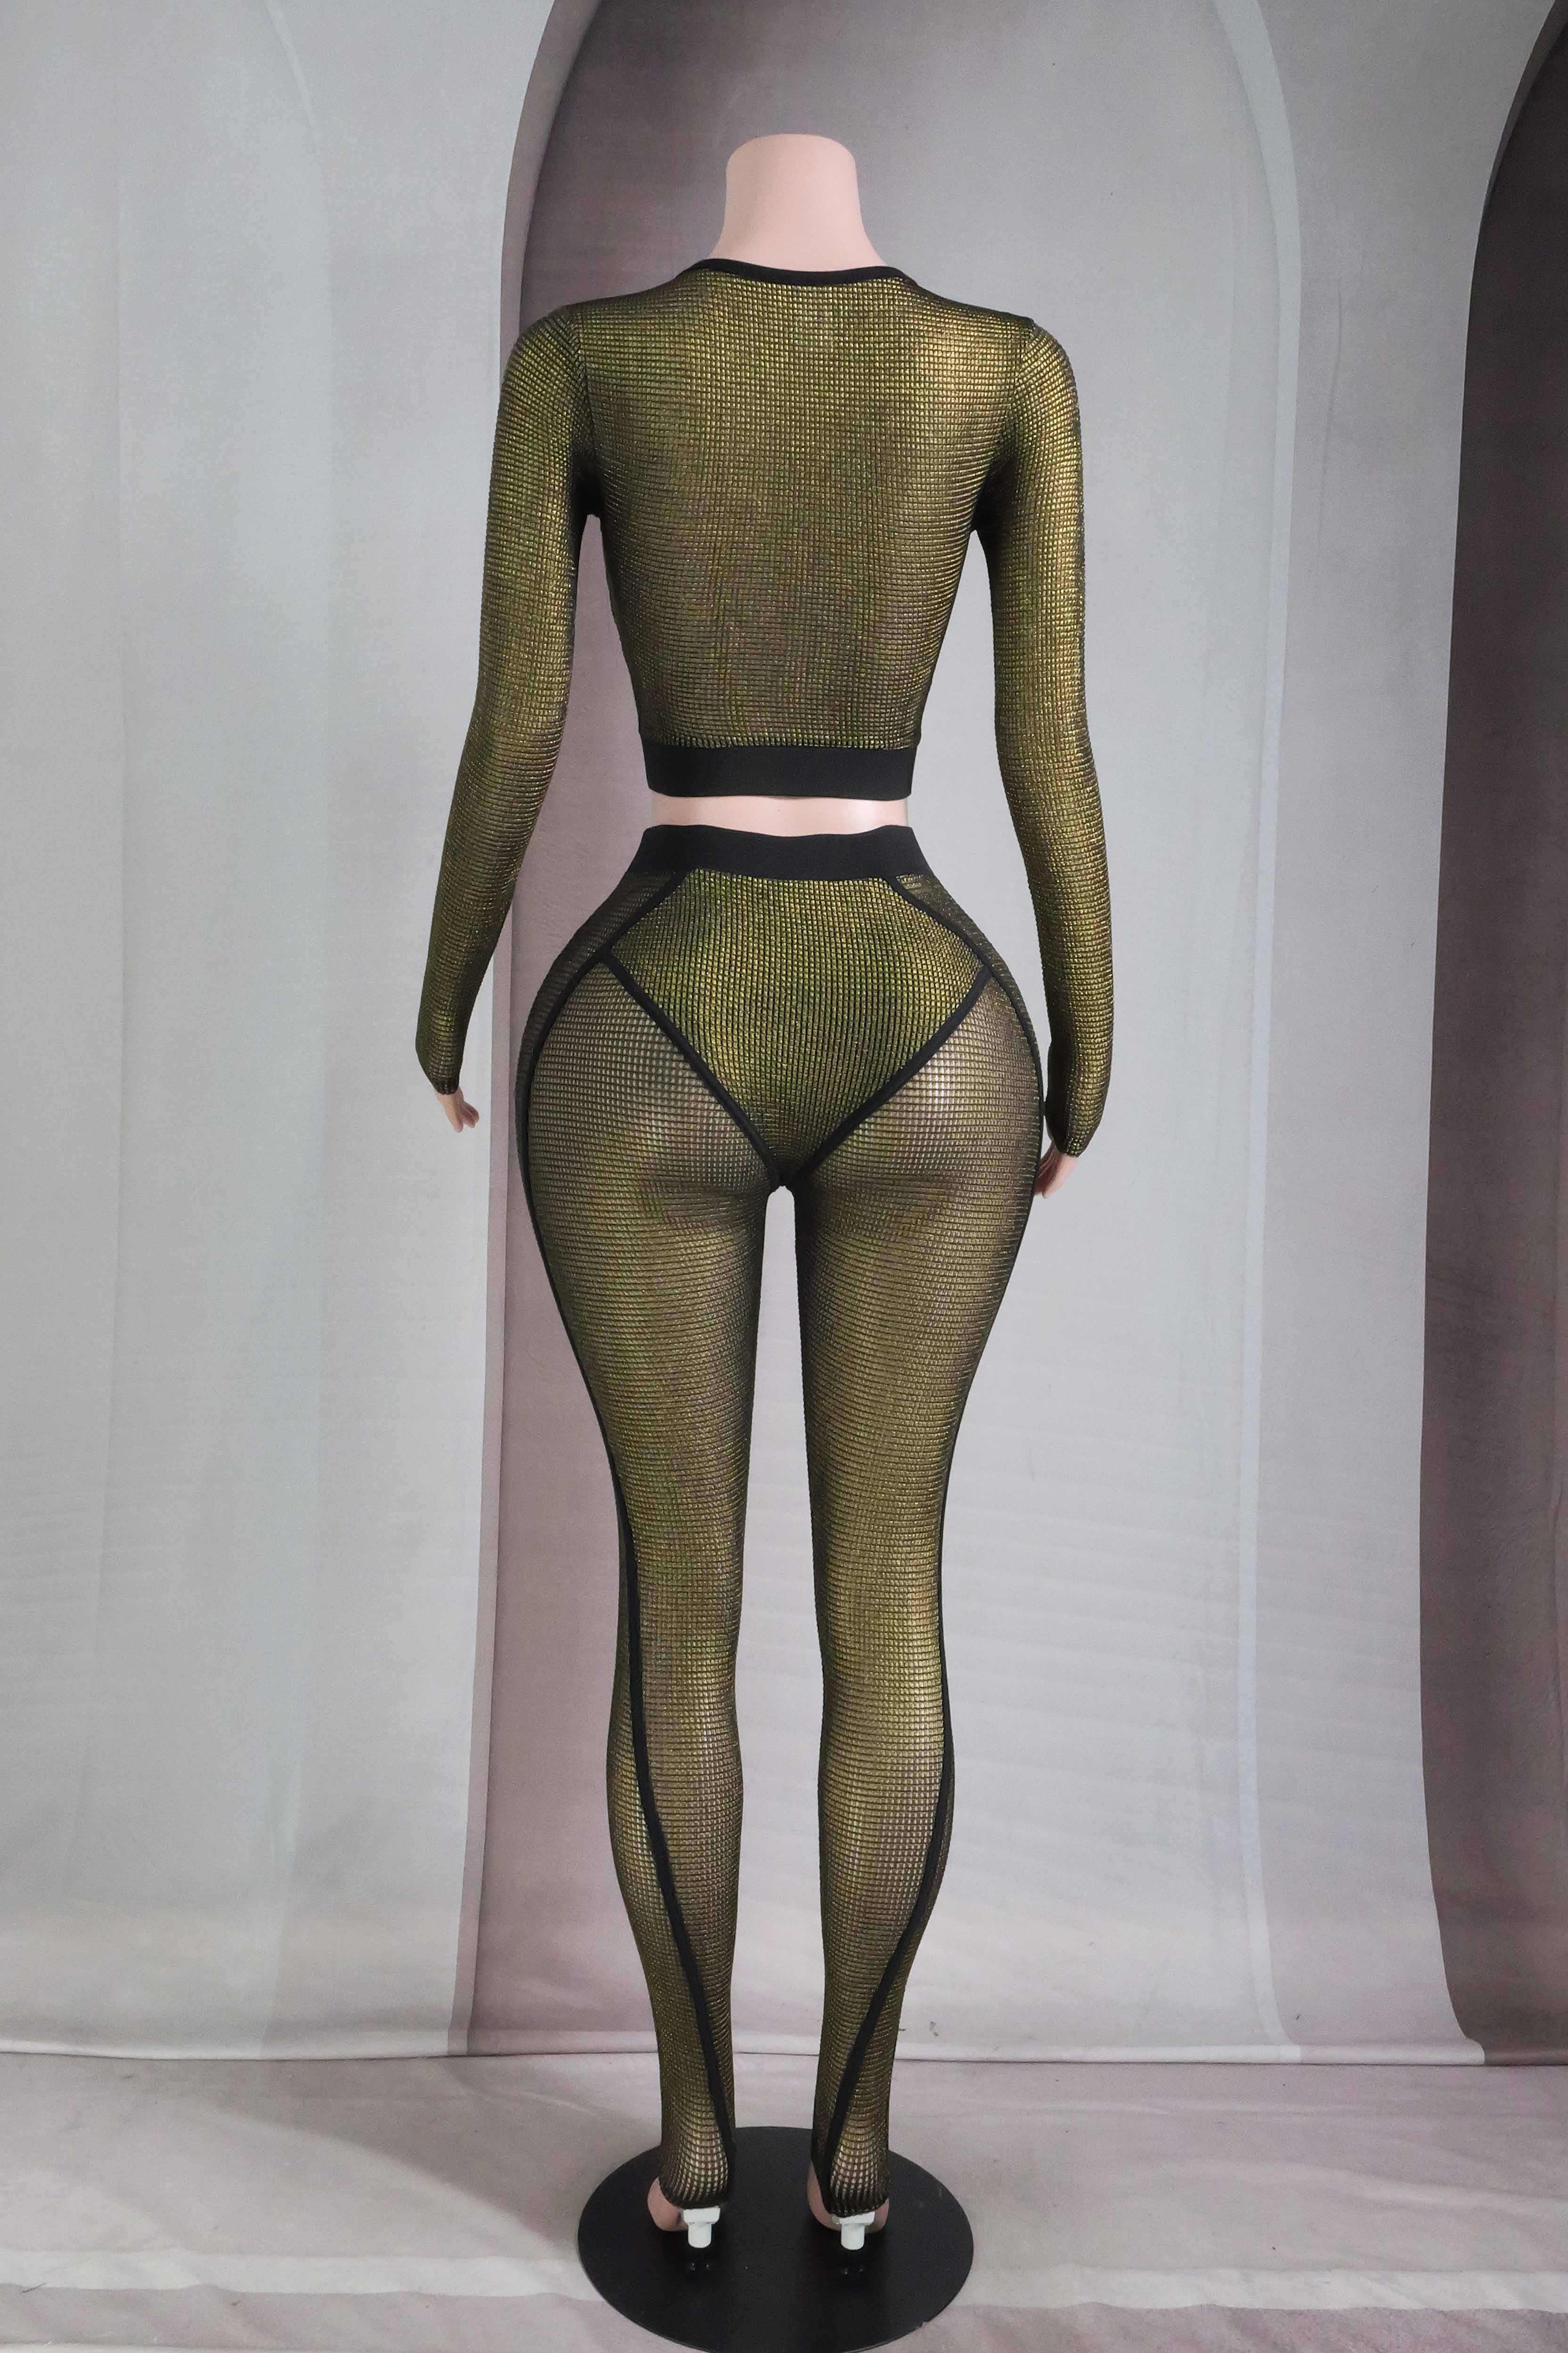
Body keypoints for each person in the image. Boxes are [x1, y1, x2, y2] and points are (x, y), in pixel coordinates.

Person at [414, 133, 1112, 2252]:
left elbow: (521, 718)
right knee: (890, 1594)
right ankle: (862, 2151)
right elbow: (1050, 742)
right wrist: (1092, 1041)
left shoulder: (586, 361)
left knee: (679, 1605)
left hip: (659, 1006)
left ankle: (703, 2143)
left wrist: (439, 999)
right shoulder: (1004, 370)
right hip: (934, 1022)